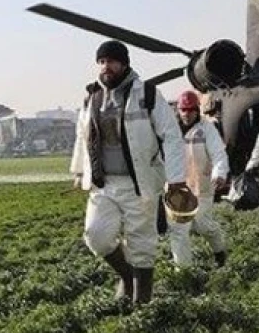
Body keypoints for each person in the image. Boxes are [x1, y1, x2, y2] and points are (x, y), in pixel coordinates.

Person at [70, 39, 188, 304]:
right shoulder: (92, 97)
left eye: (111, 61)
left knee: (142, 245)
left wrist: (177, 179)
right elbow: (82, 135)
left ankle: (141, 304)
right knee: (96, 236)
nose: (105, 67)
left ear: (124, 63)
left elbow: (171, 136)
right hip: (103, 185)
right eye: (101, 62)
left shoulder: (146, 93)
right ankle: (125, 276)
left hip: (140, 183)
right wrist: (79, 171)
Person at [167, 90, 231, 268]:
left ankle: (219, 251)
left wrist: (219, 174)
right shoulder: (169, 130)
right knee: (179, 229)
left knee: (203, 226)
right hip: (177, 187)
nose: (187, 114)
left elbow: (219, 154)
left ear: (197, 110)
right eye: (183, 110)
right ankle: (184, 270)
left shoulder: (207, 129)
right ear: (178, 110)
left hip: (202, 186)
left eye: (191, 110)